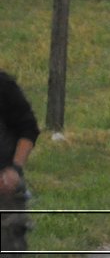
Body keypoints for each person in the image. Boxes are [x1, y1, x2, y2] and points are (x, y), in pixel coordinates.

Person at [0, 68, 39, 253]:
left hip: (4, 187)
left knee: (9, 247)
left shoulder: (3, 86)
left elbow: (28, 129)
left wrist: (14, 169)